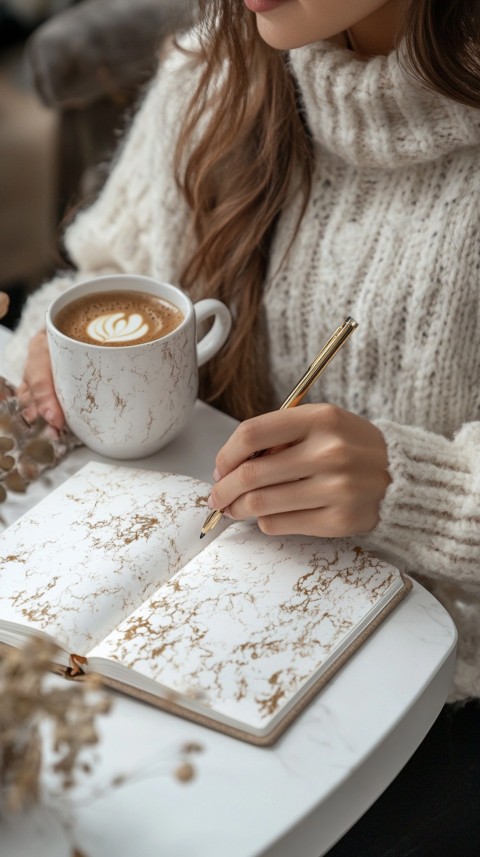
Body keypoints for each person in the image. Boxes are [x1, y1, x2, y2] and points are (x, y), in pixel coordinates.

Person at [5, 1, 480, 853]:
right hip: (191, 651)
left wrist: (413, 486)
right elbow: (111, 271)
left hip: (435, 698)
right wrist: (56, 347)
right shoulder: (214, 66)